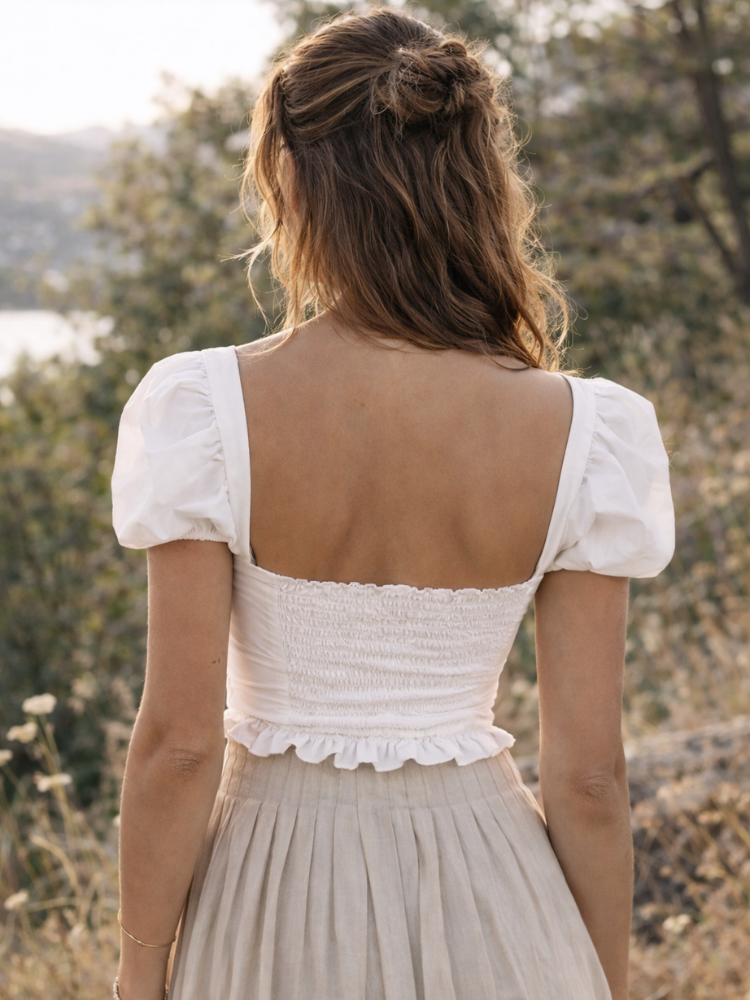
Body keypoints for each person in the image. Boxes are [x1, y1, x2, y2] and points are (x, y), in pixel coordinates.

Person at [110, 8, 675, 1000]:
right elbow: (588, 774)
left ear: (291, 176)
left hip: (266, 898)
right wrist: (607, 983)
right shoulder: (591, 431)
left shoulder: (204, 410)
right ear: (476, 180)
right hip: (498, 899)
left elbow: (180, 745)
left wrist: (139, 972)